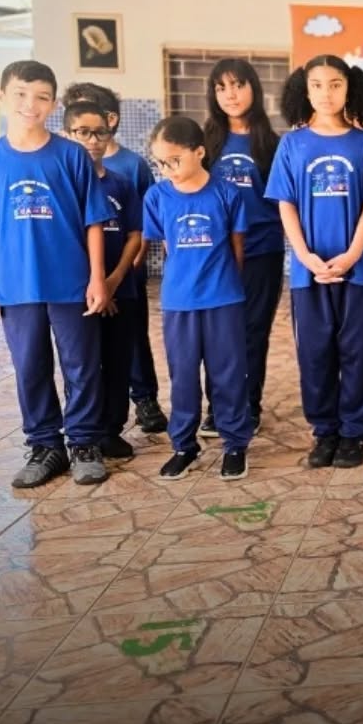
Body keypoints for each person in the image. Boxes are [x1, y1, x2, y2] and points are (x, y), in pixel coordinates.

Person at [0, 61, 112, 488]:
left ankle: (84, 443)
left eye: (42, 96)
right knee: (30, 367)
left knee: (82, 365)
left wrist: (97, 277)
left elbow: (93, 221)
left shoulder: (71, 156)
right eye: (22, 94)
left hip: (71, 282)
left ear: (54, 103)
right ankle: (45, 446)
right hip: (15, 285)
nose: (31, 104)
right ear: (2, 97)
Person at [266, 55, 363, 469]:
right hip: (309, 273)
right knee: (315, 354)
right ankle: (324, 432)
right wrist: (304, 256)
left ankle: (355, 434)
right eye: (317, 85)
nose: (326, 93)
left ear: (349, 88)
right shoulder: (292, 144)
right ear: (305, 91)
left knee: (358, 353)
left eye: (335, 84)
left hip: (357, 271)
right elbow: (285, 204)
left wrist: (353, 253)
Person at [143, 116, 252, 481]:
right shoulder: (157, 197)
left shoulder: (227, 193)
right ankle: (184, 446)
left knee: (228, 374)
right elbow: (168, 246)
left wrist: (223, 284)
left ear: (199, 152)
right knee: (183, 376)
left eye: (174, 160)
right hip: (179, 302)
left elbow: (237, 248)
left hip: (223, 299)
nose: (167, 170)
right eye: (160, 163)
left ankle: (235, 444)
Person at [65, 81, 167, 435]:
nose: (89, 134)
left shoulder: (129, 168)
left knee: (131, 342)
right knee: (86, 354)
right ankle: (89, 427)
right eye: (79, 122)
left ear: (109, 120)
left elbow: (142, 223)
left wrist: (123, 274)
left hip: (124, 277)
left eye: (94, 120)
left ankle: (144, 399)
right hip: (81, 284)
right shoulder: (66, 170)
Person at [203, 58, 284, 436]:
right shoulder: (204, 142)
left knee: (252, 331)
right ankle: (217, 407)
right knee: (217, 332)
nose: (230, 95)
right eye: (221, 87)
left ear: (254, 88)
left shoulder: (273, 144)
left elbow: (284, 201)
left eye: (238, 85)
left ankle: (248, 405)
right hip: (214, 253)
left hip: (262, 250)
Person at [64, 100, 143, 463]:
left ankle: (111, 431)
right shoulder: (63, 186)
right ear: (67, 134)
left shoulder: (121, 183)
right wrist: (94, 284)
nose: (93, 140)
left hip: (120, 289)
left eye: (100, 132)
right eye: (83, 132)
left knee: (117, 360)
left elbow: (135, 234)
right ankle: (85, 434)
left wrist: (112, 281)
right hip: (77, 293)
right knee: (82, 365)